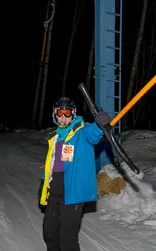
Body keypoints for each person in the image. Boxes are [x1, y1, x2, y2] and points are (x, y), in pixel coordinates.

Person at [38, 96, 111, 251]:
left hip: (73, 194)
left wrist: (99, 124)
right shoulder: (55, 136)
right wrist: (44, 183)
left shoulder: (81, 131)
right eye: (60, 113)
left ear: (73, 114)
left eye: (67, 113)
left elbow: (93, 134)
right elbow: (51, 163)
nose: (63, 117)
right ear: (54, 114)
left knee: (67, 239)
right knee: (49, 232)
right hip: (54, 193)